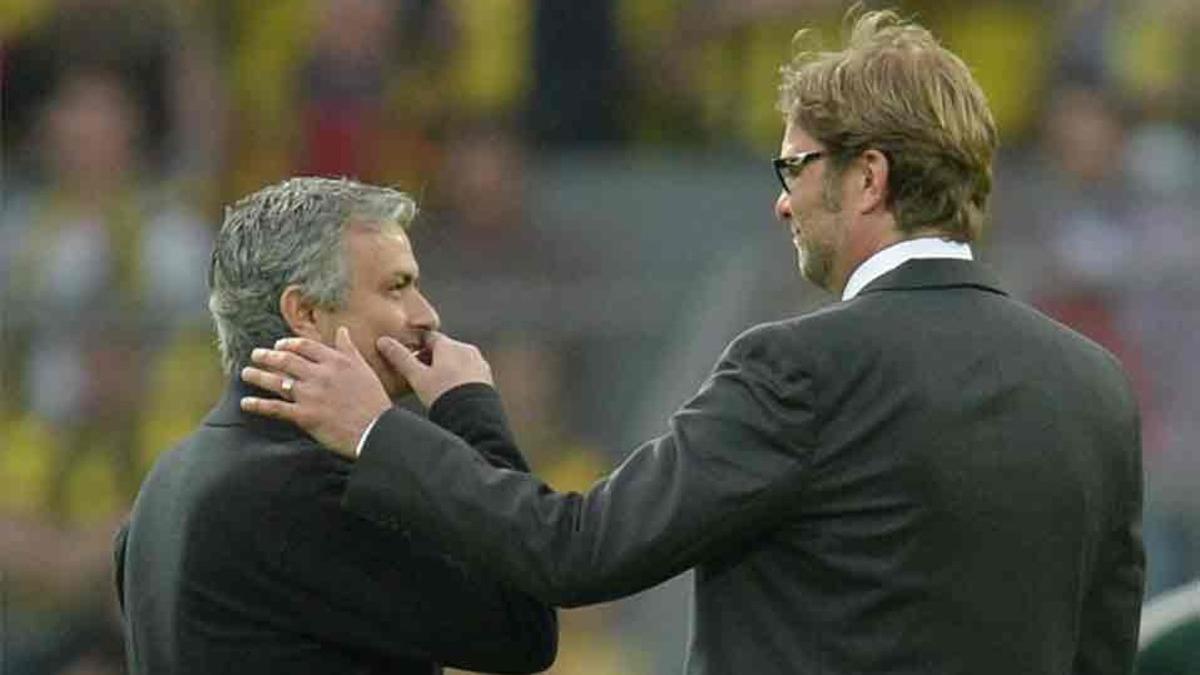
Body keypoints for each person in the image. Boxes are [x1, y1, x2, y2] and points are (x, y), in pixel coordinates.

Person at [242, 11, 1144, 674]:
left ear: (869, 177)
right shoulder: (1094, 387)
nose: (782, 201)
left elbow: (577, 551)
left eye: (795, 166)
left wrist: (379, 430)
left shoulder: (797, 368)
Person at [115, 177, 557, 674]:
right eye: (397, 287)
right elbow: (524, 628)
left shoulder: (163, 485)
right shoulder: (302, 490)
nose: (427, 315)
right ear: (304, 312)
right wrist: (470, 410)